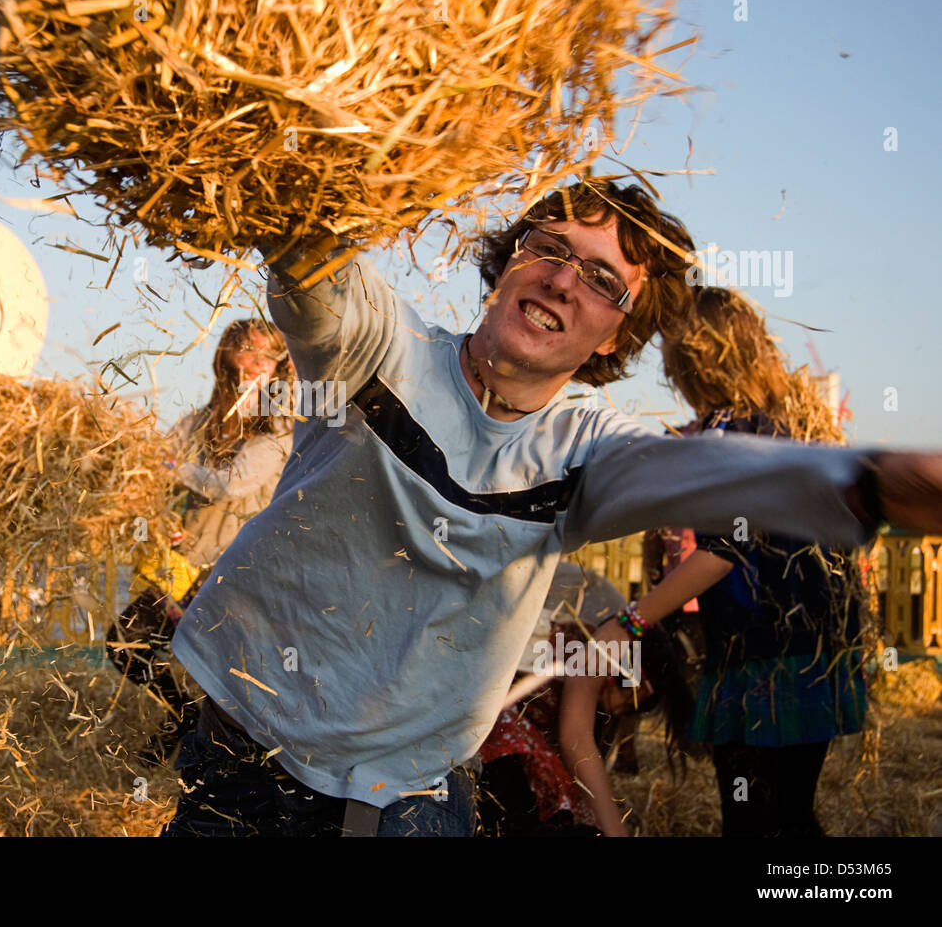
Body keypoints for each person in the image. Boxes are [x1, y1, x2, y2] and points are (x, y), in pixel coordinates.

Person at [160, 177, 942, 837]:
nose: (565, 280)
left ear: (614, 337)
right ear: (506, 264)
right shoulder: (377, 349)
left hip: (406, 802)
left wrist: (871, 480)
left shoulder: (586, 447)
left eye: (603, 281)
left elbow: (703, 470)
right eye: (549, 248)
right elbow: (309, 261)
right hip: (243, 765)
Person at [578, 287, 869, 836]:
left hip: (760, 666)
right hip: (816, 660)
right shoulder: (790, 429)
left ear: (696, 362)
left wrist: (628, 620)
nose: (671, 377)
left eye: (672, 362)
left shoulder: (727, 438)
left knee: (751, 820)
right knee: (791, 813)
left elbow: (721, 553)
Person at [106, 318, 294, 764]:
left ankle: (211, 761)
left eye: (267, 356)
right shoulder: (200, 421)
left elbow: (227, 484)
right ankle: (183, 716)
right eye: (246, 351)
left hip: (240, 572)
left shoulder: (278, 427)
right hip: (187, 562)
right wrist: (157, 513)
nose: (255, 363)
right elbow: (150, 469)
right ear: (224, 358)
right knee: (124, 642)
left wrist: (173, 465)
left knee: (226, 675)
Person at [477, 563, 690, 837]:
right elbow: (575, 739)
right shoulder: (600, 650)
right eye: (627, 700)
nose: (621, 710)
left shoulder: (603, 633)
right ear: (623, 674)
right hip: (488, 727)